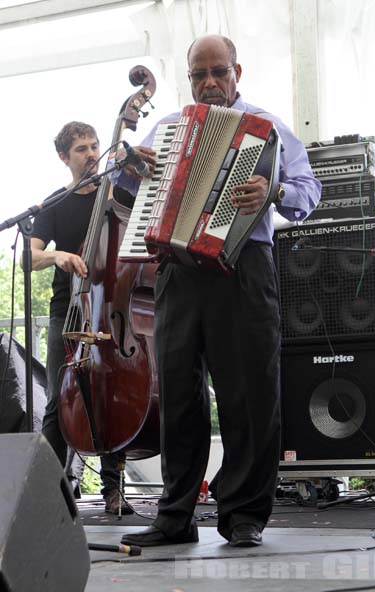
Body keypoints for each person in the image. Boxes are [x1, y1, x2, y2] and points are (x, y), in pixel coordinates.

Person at [116, 34, 321, 547]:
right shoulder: (168, 130)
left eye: (219, 72)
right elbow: (133, 197)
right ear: (189, 78)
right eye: (199, 74)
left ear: (237, 72)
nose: (209, 83)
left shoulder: (268, 128)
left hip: (244, 267)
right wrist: (132, 171)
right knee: (179, 396)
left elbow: (309, 190)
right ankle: (175, 516)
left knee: (248, 395)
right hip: (177, 269)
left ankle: (244, 515)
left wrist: (272, 191)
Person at [28, 121, 134, 515]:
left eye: (94, 146)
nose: (91, 154)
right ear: (64, 158)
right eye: (81, 149)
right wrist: (57, 256)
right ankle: (52, 492)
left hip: (112, 305)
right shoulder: (55, 203)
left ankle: (113, 490)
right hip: (68, 310)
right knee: (60, 398)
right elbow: (29, 256)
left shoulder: (120, 193)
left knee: (112, 393)